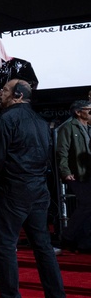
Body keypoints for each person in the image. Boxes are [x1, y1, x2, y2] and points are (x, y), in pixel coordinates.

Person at [0, 79, 67, 298]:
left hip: (12, 191)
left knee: (4, 245)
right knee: (43, 247)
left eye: (5, 90)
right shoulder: (41, 122)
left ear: (18, 94)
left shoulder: (5, 120)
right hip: (38, 191)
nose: (0, 92)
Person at [56, 98, 91, 252]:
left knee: (87, 207)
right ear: (78, 112)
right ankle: (67, 237)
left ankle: (82, 242)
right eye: (89, 110)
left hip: (89, 173)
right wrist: (65, 171)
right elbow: (62, 151)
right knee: (86, 204)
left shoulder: (89, 127)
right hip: (76, 174)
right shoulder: (68, 127)